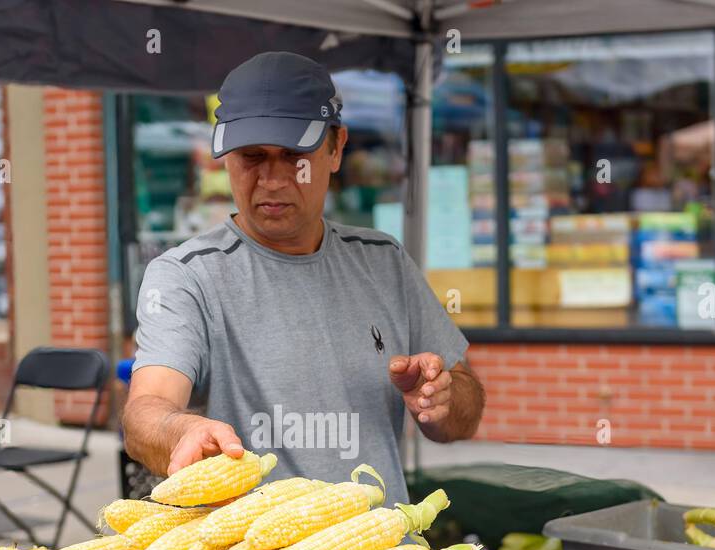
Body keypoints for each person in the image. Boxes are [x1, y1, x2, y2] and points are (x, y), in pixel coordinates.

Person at [124, 51, 484, 504]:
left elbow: (463, 417)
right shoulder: (186, 276)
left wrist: (442, 400)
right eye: (252, 157)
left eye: (295, 156)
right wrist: (182, 429)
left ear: (336, 148)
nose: (272, 179)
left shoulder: (384, 262)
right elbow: (145, 413)